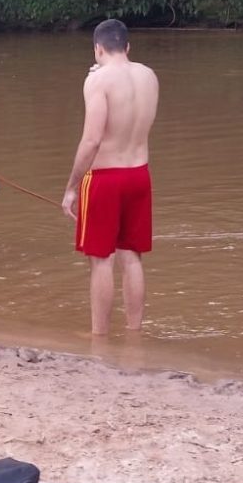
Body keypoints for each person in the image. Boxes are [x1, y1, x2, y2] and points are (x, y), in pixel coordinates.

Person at [62, 18, 159, 336]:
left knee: (100, 259)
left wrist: (72, 187)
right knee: (131, 256)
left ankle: (99, 336)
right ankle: (134, 334)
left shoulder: (97, 81)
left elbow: (91, 140)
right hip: (139, 174)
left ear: (97, 48)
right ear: (128, 47)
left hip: (105, 178)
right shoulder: (149, 76)